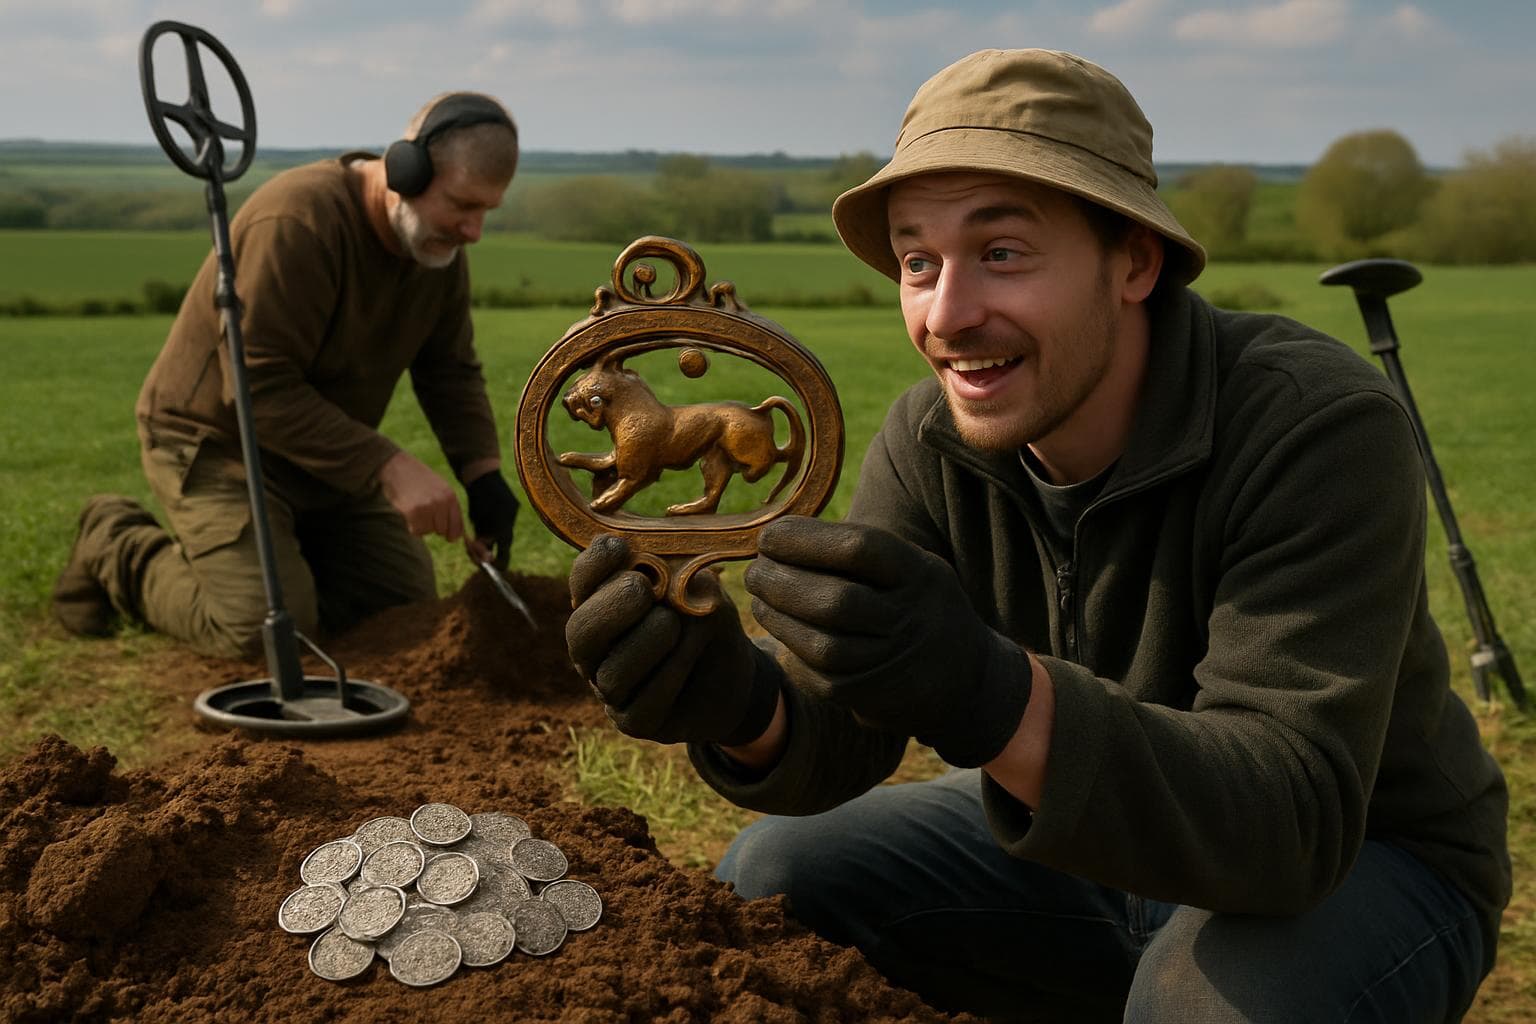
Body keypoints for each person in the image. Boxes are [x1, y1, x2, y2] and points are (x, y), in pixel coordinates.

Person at [562, 49, 1510, 1022]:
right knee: (777, 875)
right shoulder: (928, 443)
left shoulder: (1312, 423)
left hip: (1364, 857)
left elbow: (1290, 821)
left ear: (1134, 259)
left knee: (1202, 1010)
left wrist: (989, 692)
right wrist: (740, 702)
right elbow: (846, 729)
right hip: (1084, 843)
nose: (947, 313)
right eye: (917, 261)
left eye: (1003, 252)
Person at [52, 91, 523, 658]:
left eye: (485, 213)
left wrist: (483, 477)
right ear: (406, 170)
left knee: (400, 603)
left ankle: (281, 554)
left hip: (319, 460)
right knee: (266, 631)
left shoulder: (434, 248)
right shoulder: (299, 220)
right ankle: (116, 541)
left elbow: (449, 370)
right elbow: (258, 390)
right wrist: (389, 465)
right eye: (463, 205)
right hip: (219, 445)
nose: (473, 231)